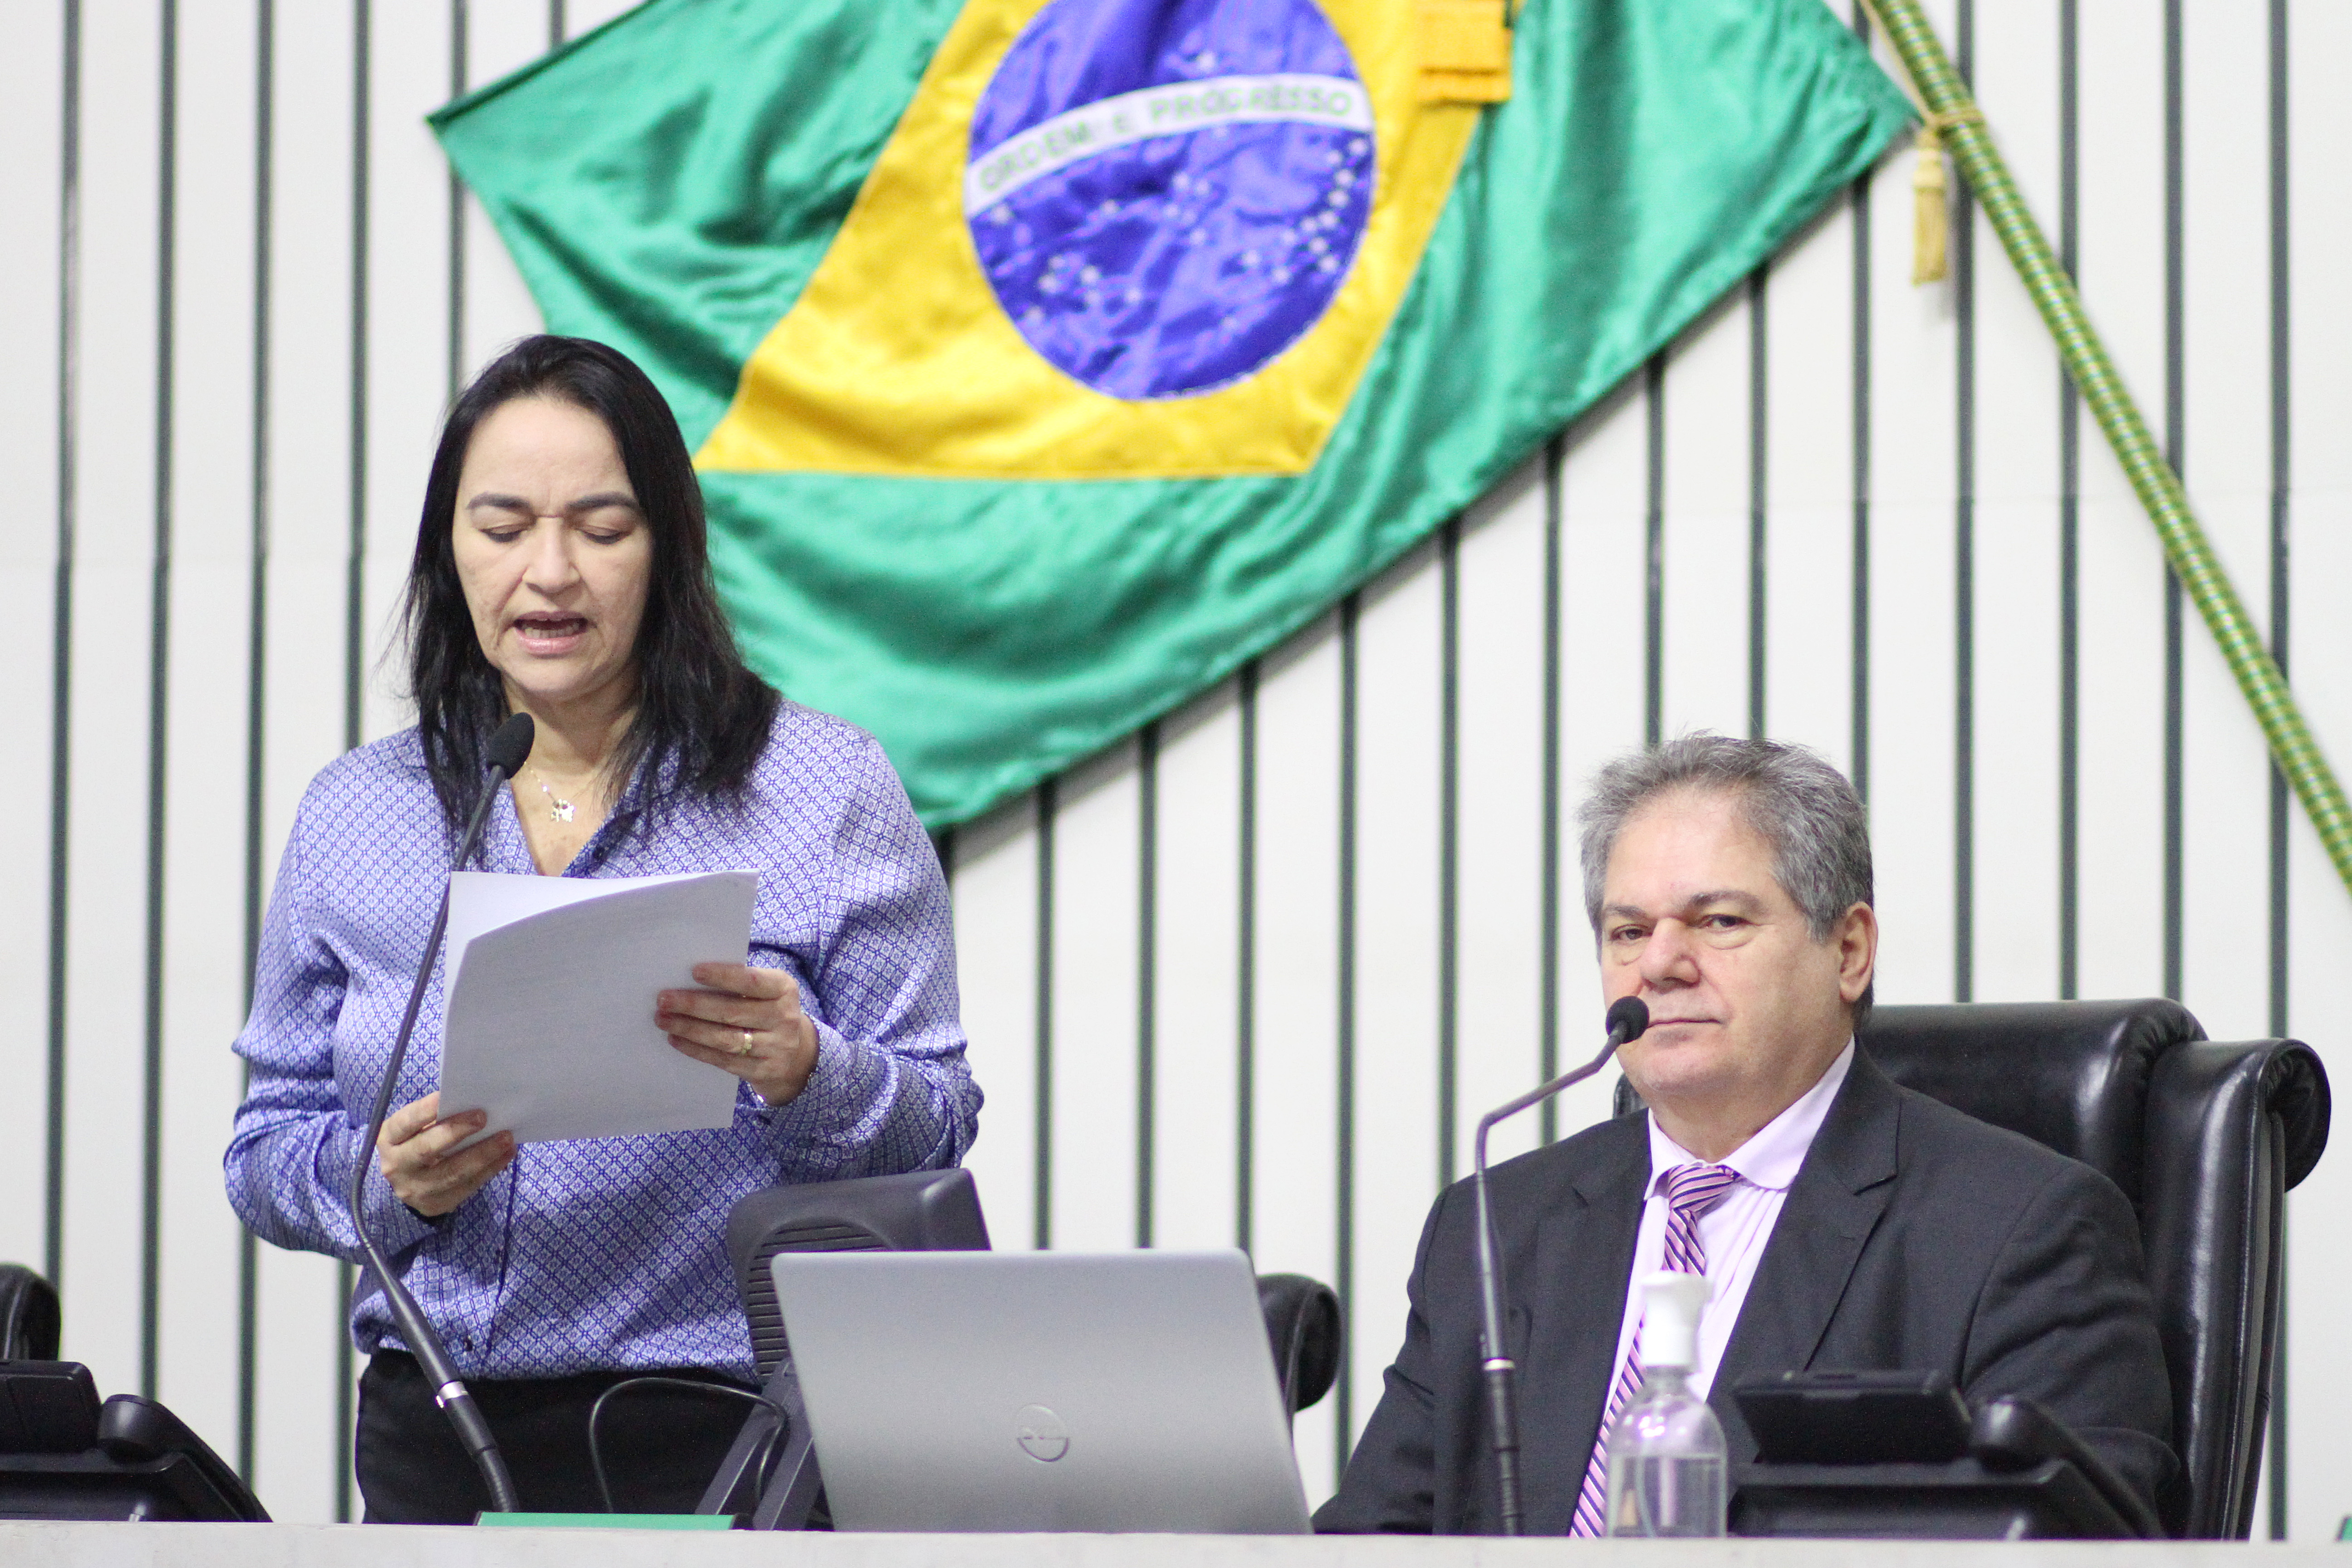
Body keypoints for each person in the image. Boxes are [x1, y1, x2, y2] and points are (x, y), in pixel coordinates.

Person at [224, 335, 982, 1522]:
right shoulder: (359, 811)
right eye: (504, 523)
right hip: (444, 1435)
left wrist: (806, 1072)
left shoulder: (821, 788)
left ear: (668, 549)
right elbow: (264, 1154)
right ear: (449, 551)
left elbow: (937, 1125)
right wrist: (386, 1184)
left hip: (739, 1436)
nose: (551, 571)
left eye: (602, 526)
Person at [1316, 734, 2175, 1535]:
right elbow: (1367, 1542)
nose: (1660, 963)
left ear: (1849, 952)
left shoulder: (2023, 1229)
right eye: (1628, 931)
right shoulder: (1497, 1227)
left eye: (1719, 921)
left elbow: (2081, 1544)